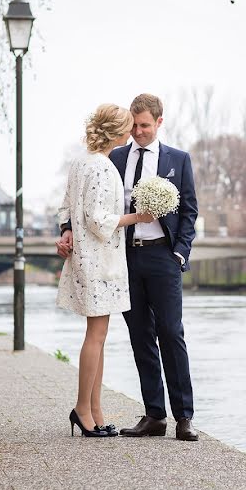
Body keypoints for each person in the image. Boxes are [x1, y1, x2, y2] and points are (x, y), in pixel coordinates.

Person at [57, 93, 200, 441]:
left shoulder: (178, 160)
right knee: (140, 337)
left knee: (171, 333)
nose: (139, 131)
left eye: (145, 125)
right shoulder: (112, 158)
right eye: (134, 125)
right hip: (124, 259)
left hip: (163, 257)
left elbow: (190, 211)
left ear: (159, 123)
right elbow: (81, 202)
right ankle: (154, 415)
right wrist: (66, 230)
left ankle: (184, 417)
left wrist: (180, 253)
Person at [55, 103, 155, 438]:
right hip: (100, 262)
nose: (132, 133)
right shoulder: (102, 167)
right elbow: (99, 222)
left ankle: (95, 411)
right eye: (128, 127)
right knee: (96, 337)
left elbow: (67, 207)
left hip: (89, 261)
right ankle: (83, 409)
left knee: (97, 336)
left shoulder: (81, 162)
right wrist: (136, 218)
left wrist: (66, 230)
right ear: (116, 132)